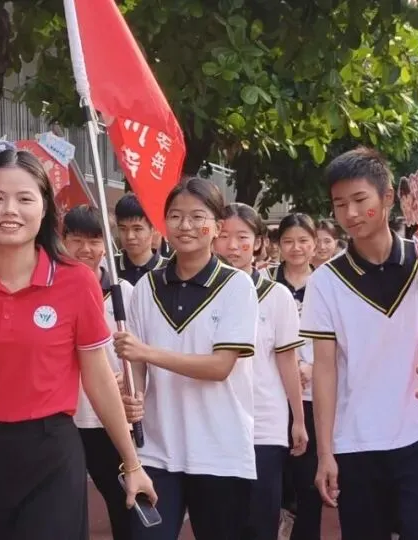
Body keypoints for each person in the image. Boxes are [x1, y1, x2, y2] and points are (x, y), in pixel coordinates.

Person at [0, 149, 155, 539]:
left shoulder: (76, 281)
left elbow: (98, 379)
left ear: (44, 209)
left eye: (25, 199)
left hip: (52, 453)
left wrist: (131, 463)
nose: (10, 210)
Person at [303, 147, 418, 540]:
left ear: (388, 197)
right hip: (358, 441)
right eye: (340, 205)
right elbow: (324, 368)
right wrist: (325, 453)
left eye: (360, 200)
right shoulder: (326, 281)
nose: (350, 214)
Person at [116, 178, 259, 540]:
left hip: (220, 452)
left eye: (198, 216)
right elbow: (136, 364)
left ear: (217, 226)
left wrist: (145, 352)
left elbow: (220, 367)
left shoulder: (236, 286)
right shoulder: (147, 287)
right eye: (176, 216)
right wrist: (131, 392)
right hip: (158, 451)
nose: (186, 225)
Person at [215, 203, 308, 540]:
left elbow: (286, 360)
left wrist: (297, 418)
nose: (233, 245)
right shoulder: (203, 294)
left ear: (258, 242)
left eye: (242, 236)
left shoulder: (276, 296)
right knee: (221, 522)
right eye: (224, 236)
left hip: (263, 426)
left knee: (260, 521)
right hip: (213, 425)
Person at [61, 204, 137, 540]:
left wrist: (132, 378)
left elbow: (138, 352)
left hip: (106, 415)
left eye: (95, 240)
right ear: (62, 241)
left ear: (107, 243)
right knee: (66, 501)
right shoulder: (53, 289)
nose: (86, 249)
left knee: (122, 497)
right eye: (77, 240)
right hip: (64, 416)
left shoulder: (124, 294)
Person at [270, 212, 325, 540]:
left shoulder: (327, 283)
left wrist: (313, 367)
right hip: (274, 394)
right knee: (277, 474)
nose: (296, 248)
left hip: (314, 395)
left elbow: (342, 339)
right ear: (278, 245)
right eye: (288, 241)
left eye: (303, 241)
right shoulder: (265, 283)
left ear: (315, 244)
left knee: (309, 475)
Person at [114, 193, 168, 285]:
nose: (129, 236)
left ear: (154, 228)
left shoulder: (168, 269)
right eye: (123, 229)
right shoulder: (110, 266)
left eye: (137, 229)